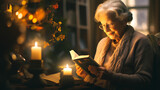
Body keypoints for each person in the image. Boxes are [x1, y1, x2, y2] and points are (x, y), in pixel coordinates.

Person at [75, 0, 154, 90]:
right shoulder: (102, 43)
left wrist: (111, 76)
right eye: (103, 25)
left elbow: (144, 80)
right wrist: (86, 74)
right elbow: (97, 78)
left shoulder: (141, 42)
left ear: (124, 20)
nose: (106, 30)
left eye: (110, 24)